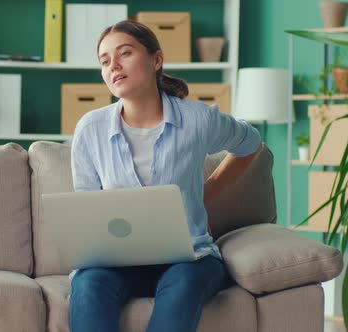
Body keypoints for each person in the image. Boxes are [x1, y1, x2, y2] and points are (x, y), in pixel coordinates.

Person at [69, 20, 263, 332]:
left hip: (189, 259)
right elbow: (87, 208)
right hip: (118, 263)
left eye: (125, 53)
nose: (113, 66)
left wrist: (208, 190)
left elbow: (251, 143)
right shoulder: (90, 129)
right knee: (89, 283)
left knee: (185, 283)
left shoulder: (197, 119)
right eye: (105, 61)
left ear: (156, 60)